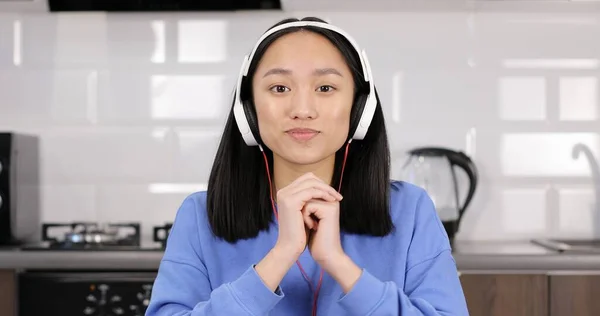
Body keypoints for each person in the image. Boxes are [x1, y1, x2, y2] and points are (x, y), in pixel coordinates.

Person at [145, 17, 469, 316]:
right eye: (279, 88)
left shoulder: (410, 211)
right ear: (248, 110)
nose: (302, 109)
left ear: (360, 110)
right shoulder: (200, 216)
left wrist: (340, 265)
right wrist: (281, 255)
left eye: (325, 88)